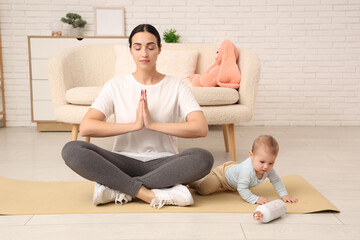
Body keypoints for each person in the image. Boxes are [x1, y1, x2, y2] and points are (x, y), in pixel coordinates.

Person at [61, 24, 214, 209]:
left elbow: (200, 127)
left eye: (150, 47)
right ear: (131, 50)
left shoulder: (177, 85)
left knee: (203, 158)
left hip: (164, 163)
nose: (144, 53)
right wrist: (134, 125)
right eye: (138, 47)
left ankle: (119, 188)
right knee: (72, 149)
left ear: (159, 50)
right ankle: (150, 193)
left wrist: (152, 124)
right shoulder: (115, 85)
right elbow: (87, 126)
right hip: (123, 161)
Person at [191, 135, 298, 204]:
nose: (266, 166)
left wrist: (284, 195)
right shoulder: (247, 170)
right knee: (204, 190)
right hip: (221, 176)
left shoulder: (267, 169)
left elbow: (276, 180)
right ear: (251, 155)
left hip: (234, 182)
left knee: (242, 182)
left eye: (271, 163)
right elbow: (242, 189)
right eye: (262, 162)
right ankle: (193, 181)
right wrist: (255, 199)